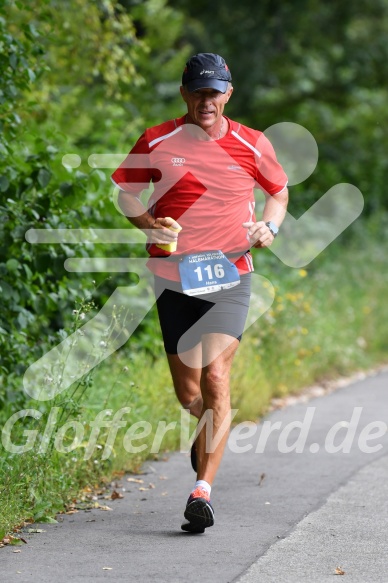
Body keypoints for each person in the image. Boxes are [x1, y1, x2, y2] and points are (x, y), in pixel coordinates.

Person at [111, 53, 289, 533]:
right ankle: (208, 424)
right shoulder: (157, 140)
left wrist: (269, 227)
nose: (206, 100)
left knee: (215, 377)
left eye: (214, 91)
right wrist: (150, 222)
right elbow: (125, 193)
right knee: (189, 393)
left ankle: (201, 492)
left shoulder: (252, 143)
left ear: (228, 93)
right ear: (185, 93)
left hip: (232, 273)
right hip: (175, 276)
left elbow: (278, 190)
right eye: (197, 91)